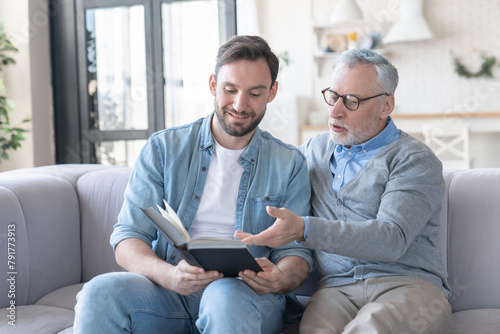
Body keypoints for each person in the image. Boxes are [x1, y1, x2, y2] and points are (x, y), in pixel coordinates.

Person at [73, 35, 313, 334]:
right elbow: (128, 238)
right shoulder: (163, 148)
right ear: (213, 84)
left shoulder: (289, 163)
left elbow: (298, 255)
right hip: (170, 292)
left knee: (222, 296)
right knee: (99, 293)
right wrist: (169, 275)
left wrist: (280, 277)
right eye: (230, 89)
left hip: (244, 298)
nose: (240, 104)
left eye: (255, 93)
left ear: (272, 92)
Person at [235, 48, 452, 333]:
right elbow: (268, 171)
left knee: (370, 328)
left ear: (386, 106)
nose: (335, 111)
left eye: (351, 101)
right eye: (333, 96)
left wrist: (304, 229)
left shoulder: (413, 159)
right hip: (335, 289)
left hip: (406, 283)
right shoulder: (314, 150)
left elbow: (390, 239)